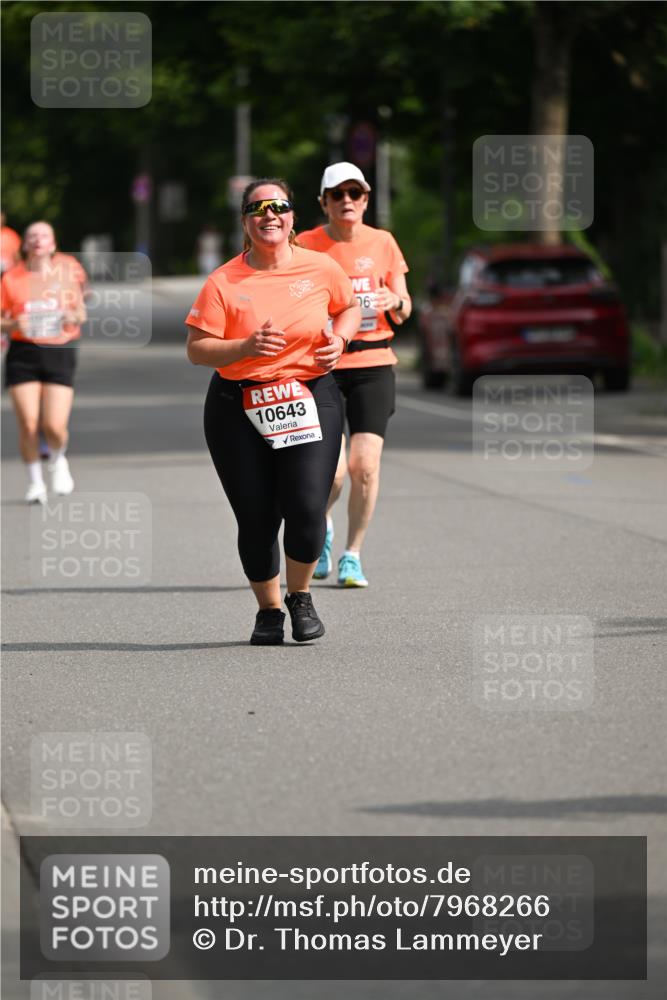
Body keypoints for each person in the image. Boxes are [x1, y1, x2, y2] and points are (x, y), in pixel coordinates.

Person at [185, 178, 361, 645]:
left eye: (278, 206)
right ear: (245, 221)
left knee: (305, 506)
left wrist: (340, 340)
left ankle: (300, 596)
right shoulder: (224, 280)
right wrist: (245, 346)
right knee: (257, 517)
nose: (269, 215)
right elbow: (198, 349)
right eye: (258, 208)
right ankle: (269, 610)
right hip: (236, 404)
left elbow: (349, 309)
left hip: (308, 395)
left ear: (291, 217)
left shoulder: (321, 268)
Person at [298, 162, 412, 587]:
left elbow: (406, 304)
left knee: (364, 466)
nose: (348, 201)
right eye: (338, 194)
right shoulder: (305, 245)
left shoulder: (382, 242)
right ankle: (323, 528)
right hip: (323, 365)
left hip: (374, 364)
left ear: (366, 199)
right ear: (324, 202)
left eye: (356, 194)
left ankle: (353, 554)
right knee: (332, 472)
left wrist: (393, 301)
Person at [1, 221, 86, 503]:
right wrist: (13, 322)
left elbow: (80, 311)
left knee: (54, 427)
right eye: (32, 236)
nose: (38, 240)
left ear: (53, 244)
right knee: (28, 423)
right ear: (25, 245)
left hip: (59, 351)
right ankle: (35, 483)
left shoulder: (67, 271)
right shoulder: (11, 278)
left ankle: (58, 458)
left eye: (44, 236)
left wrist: (74, 317)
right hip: (23, 353)